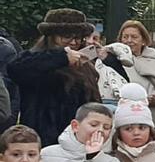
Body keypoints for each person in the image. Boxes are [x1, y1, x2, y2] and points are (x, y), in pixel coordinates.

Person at [8, 9, 101, 148]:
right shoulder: (35, 58)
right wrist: (61, 57)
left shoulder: (85, 66)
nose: (74, 42)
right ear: (51, 36)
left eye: (78, 37)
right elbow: (15, 69)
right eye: (67, 36)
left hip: (77, 141)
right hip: (42, 141)